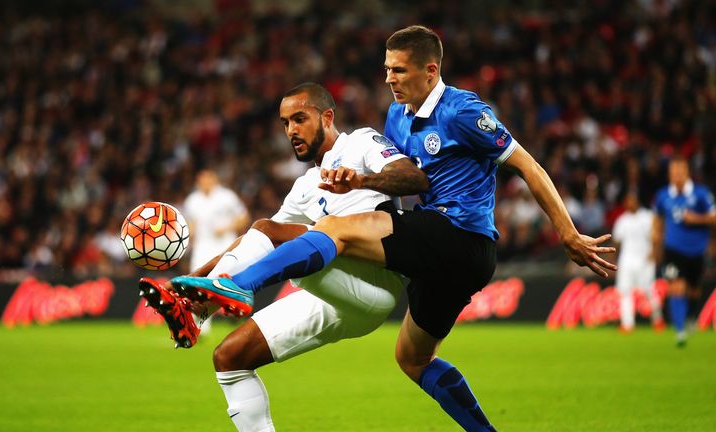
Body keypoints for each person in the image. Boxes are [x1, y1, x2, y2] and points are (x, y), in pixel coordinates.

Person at [172, 25, 617, 432]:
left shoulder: (463, 111)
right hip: (438, 258)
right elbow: (268, 230)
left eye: (399, 70)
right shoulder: (396, 117)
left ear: (430, 70)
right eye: (386, 69)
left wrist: (567, 232)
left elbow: (526, 165)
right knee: (412, 359)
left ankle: (238, 287)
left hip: (459, 234)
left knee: (335, 229)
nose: (389, 78)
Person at [140, 82, 429, 431]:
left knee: (277, 232)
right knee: (230, 357)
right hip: (332, 296)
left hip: (374, 282)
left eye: (299, 118)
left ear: (327, 117)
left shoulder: (361, 143)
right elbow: (257, 239)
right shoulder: (303, 186)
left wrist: (362, 181)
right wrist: (183, 284)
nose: (291, 130)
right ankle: (198, 308)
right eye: (285, 123)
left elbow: (415, 178)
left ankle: (214, 298)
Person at [652, 156, 716, 347]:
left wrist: (696, 219)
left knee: (694, 290)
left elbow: (715, 217)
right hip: (673, 249)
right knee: (676, 288)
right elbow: (657, 218)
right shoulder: (663, 195)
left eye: (680, 172)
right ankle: (680, 331)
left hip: (697, 251)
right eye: (673, 173)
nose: (677, 176)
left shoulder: (701, 193)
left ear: (687, 173)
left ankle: (690, 316)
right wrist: (655, 238)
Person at [182, 169, 250, 333]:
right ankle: (200, 326)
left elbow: (243, 218)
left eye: (207, 179)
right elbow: (191, 223)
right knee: (196, 283)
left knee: (229, 281)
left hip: (225, 244)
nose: (204, 182)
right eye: (201, 179)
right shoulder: (192, 200)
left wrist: (227, 228)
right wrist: (188, 236)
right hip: (202, 246)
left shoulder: (227, 196)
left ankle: (236, 313)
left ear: (214, 180)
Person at [612, 191, 664, 332]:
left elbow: (657, 235)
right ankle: (627, 324)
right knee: (625, 292)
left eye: (633, 200)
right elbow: (616, 243)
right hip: (627, 260)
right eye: (628, 200)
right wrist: (612, 262)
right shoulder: (622, 220)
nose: (630, 203)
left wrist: (655, 252)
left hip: (645, 259)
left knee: (650, 291)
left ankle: (657, 320)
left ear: (637, 201)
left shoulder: (647, 217)